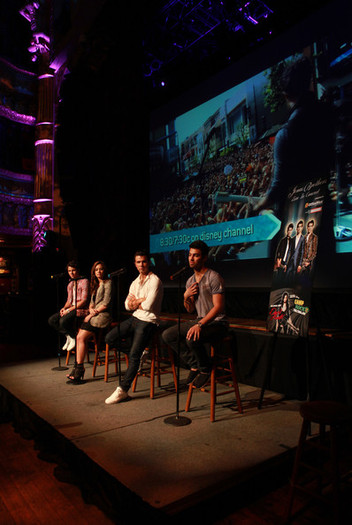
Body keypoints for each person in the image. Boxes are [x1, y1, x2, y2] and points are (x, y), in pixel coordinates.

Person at [254, 56, 335, 217]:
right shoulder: (328, 116)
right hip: (323, 212)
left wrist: (257, 206)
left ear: (286, 95)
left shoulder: (286, 134)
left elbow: (279, 187)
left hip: (299, 221)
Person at [162, 240, 228, 389]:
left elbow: (218, 307)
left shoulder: (213, 277)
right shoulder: (190, 281)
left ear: (204, 258)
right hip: (200, 320)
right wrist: (186, 297)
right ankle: (195, 364)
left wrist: (200, 324)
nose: (191, 259)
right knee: (168, 335)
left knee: (192, 338)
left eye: (196, 256)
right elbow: (190, 310)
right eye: (190, 255)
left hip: (217, 323)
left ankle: (205, 368)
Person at [104, 250, 163, 404]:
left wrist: (135, 302)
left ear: (148, 262)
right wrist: (138, 302)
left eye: (144, 261)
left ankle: (122, 390)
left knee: (134, 356)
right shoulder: (135, 282)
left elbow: (149, 306)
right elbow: (126, 305)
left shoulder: (155, 280)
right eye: (138, 262)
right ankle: (138, 352)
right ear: (135, 264)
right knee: (109, 338)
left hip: (149, 321)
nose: (141, 265)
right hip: (135, 317)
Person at [67, 261, 112, 383]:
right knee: (79, 337)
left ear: (104, 270)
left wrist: (91, 313)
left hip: (102, 315)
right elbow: (92, 303)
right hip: (93, 314)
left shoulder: (108, 283)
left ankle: (79, 369)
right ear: (94, 272)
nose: (99, 271)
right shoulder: (96, 284)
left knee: (80, 338)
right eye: (96, 270)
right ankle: (77, 367)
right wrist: (91, 310)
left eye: (101, 269)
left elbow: (105, 304)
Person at [48, 261, 89, 352]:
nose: (71, 273)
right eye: (69, 271)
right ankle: (69, 336)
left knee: (63, 321)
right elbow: (69, 301)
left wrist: (69, 310)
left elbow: (84, 301)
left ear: (78, 270)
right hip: (71, 308)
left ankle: (73, 337)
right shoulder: (70, 284)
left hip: (80, 309)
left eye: (73, 270)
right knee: (52, 320)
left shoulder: (84, 281)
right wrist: (64, 308)